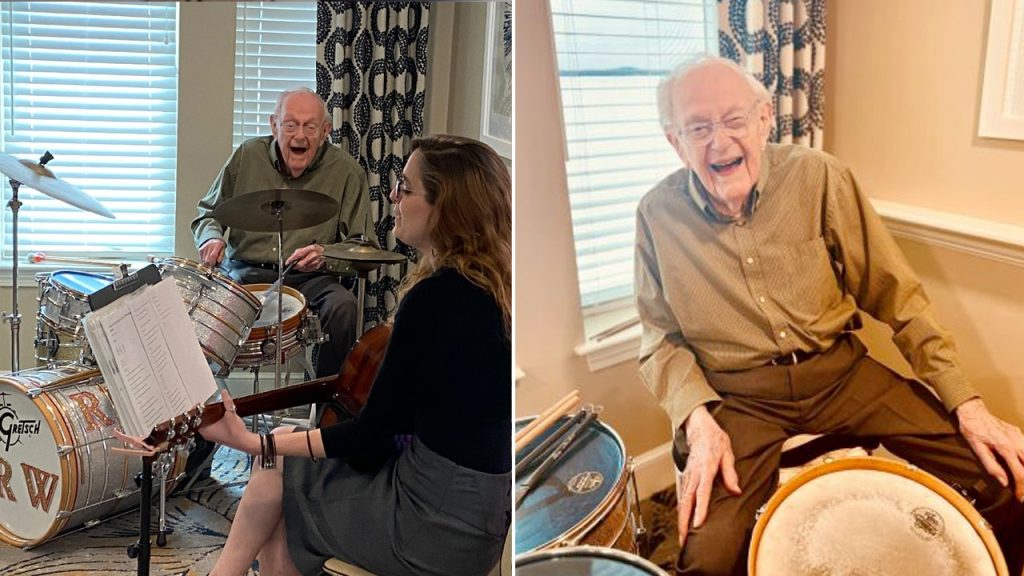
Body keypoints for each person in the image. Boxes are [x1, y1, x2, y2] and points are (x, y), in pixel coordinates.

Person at [635, 56, 1024, 575]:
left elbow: (898, 298)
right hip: (741, 398)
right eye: (698, 128)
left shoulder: (819, 177)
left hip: (841, 373)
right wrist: (699, 421)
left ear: (765, 118)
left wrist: (966, 402)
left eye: (733, 120)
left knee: (1001, 480)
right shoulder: (655, 215)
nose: (719, 142)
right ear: (674, 141)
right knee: (705, 560)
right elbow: (659, 339)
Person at [196, 135, 512, 576]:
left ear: (445, 208)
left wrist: (252, 441)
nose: (394, 198)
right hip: (481, 516)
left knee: (276, 468)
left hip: (433, 524)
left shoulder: (437, 298)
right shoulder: (496, 288)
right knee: (286, 470)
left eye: (405, 187)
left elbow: (369, 441)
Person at [191, 86, 377, 381]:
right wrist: (211, 237)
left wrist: (325, 255)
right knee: (204, 313)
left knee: (344, 308)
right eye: (290, 125)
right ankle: (212, 413)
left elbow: (364, 247)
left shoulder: (347, 172)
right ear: (273, 125)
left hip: (311, 279)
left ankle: (329, 410)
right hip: (244, 273)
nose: (299, 136)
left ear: (326, 130)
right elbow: (208, 213)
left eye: (310, 126)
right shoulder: (247, 156)